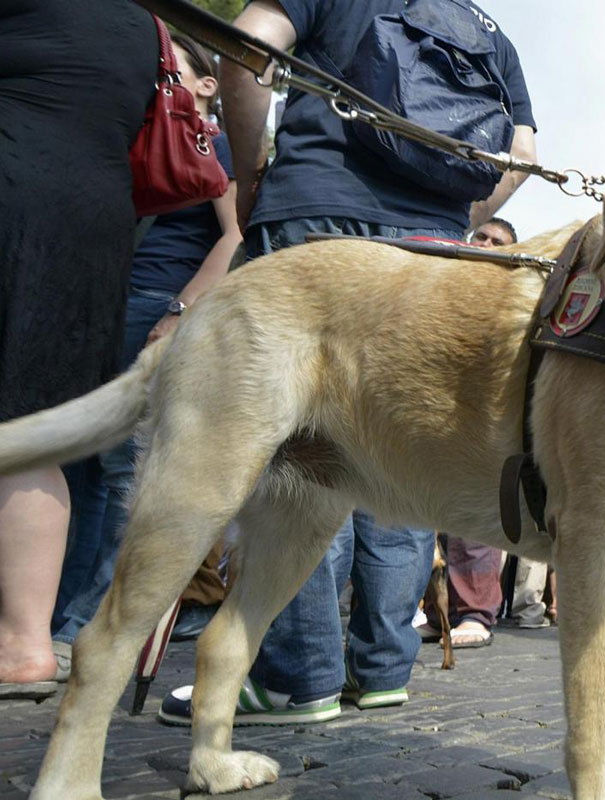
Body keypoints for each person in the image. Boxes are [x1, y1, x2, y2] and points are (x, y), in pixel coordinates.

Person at [158, 0, 536, 724]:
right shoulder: (489, 31)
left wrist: (253, 172)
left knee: (304, 449)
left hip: (317, 212)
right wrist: (457, 215)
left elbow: (248, 47)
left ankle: (297, 678)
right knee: (402, 449)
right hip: (433, 246)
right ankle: (385, 667)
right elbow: (520, 148)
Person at [51, 34, 241, 654]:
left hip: (156, 304)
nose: (153, 74)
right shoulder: (141, 137)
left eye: (169, 68)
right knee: (81, 465)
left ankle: (91, 622)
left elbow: (236, 236)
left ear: (207, 85)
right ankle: (58, 617)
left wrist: (181, 310)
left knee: (118, 470)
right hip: (108, 304)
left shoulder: (214, 142)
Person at [0, 0, 157, 698]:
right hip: (95, 216)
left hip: (18, 192)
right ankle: (25, 642)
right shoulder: (145, 23)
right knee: (33, 427)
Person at [445, 218, 519, 647]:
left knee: (472, 522)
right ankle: (439, 612)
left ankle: (475, 613)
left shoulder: (511, 293)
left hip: (481, 419)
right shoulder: (448, 281)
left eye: (499, 242)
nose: (488, 245)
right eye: (482, 237)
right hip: (438, 412)